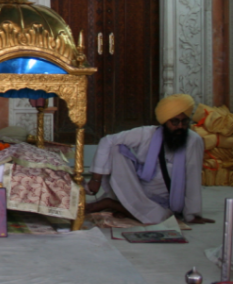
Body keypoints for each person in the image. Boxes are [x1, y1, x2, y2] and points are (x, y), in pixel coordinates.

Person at [86, 93, 214, 224]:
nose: (180, 126)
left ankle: (114, 205)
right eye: (175, 122)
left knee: (159, 218)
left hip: (165, 199)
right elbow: (107, 140)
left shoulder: (193, 140)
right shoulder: (146, 134)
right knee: (115, 147)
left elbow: (193, 177)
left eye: (184, 121)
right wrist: (96, 179)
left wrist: (192, 214)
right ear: (165, 121)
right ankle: (124, 206)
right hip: (136, 190)